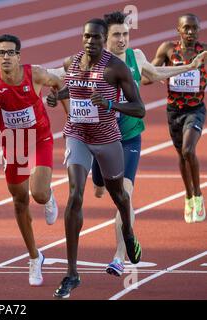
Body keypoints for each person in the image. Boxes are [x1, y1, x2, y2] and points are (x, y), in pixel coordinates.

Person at [49, 11, 206, 278]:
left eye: (126, 34)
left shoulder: (136, 57)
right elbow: (54, 75)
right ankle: (99, 183)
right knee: (99, 187)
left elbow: (155, 72)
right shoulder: (87, 62)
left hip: (128, 136)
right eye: (117, 35)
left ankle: (119, 257)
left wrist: (189, 67)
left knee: (125, 193)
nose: (123, 40)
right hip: (96, 136)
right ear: (104, 38)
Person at [47, 19, 146, 298]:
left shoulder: (115, 67)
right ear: (81, 37)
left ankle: (127, 232)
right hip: (77, 135)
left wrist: (111, 104)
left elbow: (139, 108)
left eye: (97, 38)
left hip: (106, 139)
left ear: (104, 40)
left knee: (119, 197)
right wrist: (58, 97)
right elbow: (74, 90)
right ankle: (71, 273)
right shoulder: (74, 62)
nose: (91, 42)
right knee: (75, 194)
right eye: (87, 36)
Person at [0, 34, 66, 287]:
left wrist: (55, 97)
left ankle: (48, 195)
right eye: (2, 53)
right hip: (14, 145)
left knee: (38, 194)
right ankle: (34, 256)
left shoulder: (36, 74)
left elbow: (60, 82)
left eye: (11, 53)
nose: (6, 57)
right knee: (20, 202)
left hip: (39, 138)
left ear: (19, 56)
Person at [145, 13, 206, 223]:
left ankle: (198, 196)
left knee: (189, 149)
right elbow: (147, 76)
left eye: (194, 28)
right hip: (173, 112)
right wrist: (159, 73)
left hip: (195, 110)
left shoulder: (204, 52)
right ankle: (188, 196)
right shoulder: (168, 50)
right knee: (181, 155)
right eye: (186, 28)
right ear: (178, 30)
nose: (190, 32)